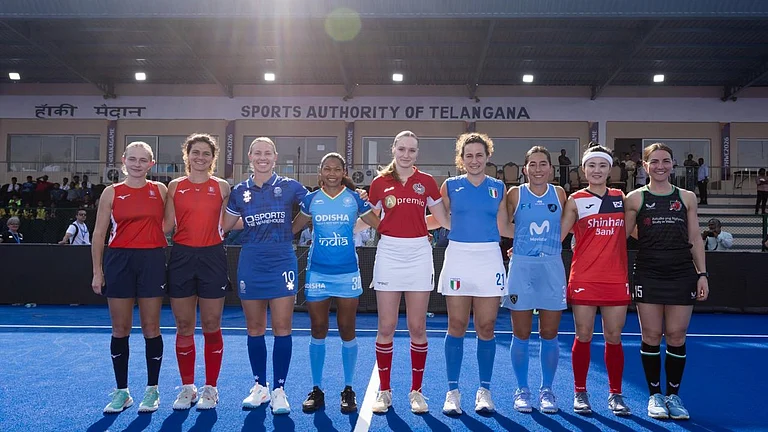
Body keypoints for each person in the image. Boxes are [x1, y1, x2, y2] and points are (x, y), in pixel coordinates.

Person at [221, 137, 308, 415]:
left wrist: (291, 229)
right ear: (249, 156)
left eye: (267, 153)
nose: (262, 157)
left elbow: (312, 207)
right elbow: (225, 224)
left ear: (275, 157)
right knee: (255, 328)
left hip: (282, 262)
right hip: (251, 262)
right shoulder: (239, 191)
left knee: (283, 327)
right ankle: (260, 386)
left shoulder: (290, 186)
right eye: (257, 153)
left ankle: (279, 390)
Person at [367, 131, 450, 414]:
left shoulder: (427, 182)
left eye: (411, 150)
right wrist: (337, 226)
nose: (406, 154)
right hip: (389, 252)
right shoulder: (380, 183)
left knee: (417, 327)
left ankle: (416, 391)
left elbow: (441, 219)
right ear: (393, 149)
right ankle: (385, 391)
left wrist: (416, 225)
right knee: (386, 327)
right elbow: (369, 219)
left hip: (418, 254)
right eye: (401, 148)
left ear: (417, 153)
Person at [624, 142, 709, 420]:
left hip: (682, 272)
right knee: (650, 335)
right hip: (648, 271)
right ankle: (654, 395)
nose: (660, 166)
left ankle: (674, 395)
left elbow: (695, 237)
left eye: (666, 161)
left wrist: (702, 274)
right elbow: (622, 235)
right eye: (654, 161)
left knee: (676, 335)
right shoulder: (635, 198)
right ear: (645, 166)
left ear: (673, 164)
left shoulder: (687, 197)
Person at [291, 152, 380, 414]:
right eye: (326, 169)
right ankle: (317, 389)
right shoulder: (311, 200)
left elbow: (381, 224)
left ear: (343, 172)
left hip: (347, 273)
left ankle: (348, 388)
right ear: (320, 173)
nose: (331, 173)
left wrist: (376, 203)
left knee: (346, 328)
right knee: (318, 328)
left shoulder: (353, 198)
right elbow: (293, 228)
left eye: (337, 169)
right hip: (317, 272)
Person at [437, 133, 513, 416]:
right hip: (458, 256)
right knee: (456, 325)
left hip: (489, 259)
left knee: (486, 326)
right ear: (461, 159)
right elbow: (437, 218)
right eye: (468, 155)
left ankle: (484, 391)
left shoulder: (498, 187)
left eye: (479, 155)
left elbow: (504, 226)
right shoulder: (450, 185)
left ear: (487, 157)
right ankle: (452, 391)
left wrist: (536, 238)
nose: (474, 160)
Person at [91, 141, 169, 413]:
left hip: (151, 260)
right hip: (119, 260)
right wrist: (97, 271)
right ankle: (122, 391)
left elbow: (173, 222)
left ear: (151, 163)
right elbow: (99, 234)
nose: (137, 164)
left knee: (151, 327)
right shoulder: (111, 193)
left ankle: (152, 390)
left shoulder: (160, 190)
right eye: (132, 159)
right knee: (120, 329)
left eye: (143, 159)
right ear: (123, 160)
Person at [560, 145, 631, 416]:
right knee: (584, 334)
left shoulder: (620, 197)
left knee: (614, 337)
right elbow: (559, 235)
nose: (597, 170)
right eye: (592, 165)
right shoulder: (575, 199)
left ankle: (615, 394)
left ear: (610, 169)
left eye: (602, 165)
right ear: (583, 169)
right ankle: (580, 391)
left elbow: (635, 232)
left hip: (615, 277)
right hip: (585, 277)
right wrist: (523, 246)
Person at [163, 133, 231, 410]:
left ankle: (210, 388)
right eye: (195, 153)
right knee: (183, 325)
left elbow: (230, 221)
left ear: (213, 159)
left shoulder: (223, 186)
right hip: (181, 257)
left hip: (213, 257)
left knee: (212, 324)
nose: (200, 158)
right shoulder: (174, 186)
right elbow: (166, 225)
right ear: (187, 156)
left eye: (206, 154)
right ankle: (187, 387)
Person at [502, 146, 567, 414]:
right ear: (524, 169)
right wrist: (521, 243)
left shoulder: (560, 194)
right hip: (522, 267)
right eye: (533, 164)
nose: (538, 169)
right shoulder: (515, 194)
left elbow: (563, 227)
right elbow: (504, 226)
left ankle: (547, 390)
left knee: (550, 333)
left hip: (551, 267)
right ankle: (522, 390)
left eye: (543, 164)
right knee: (521, 333)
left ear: (551, 168)